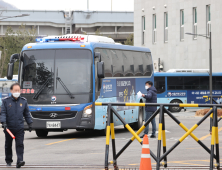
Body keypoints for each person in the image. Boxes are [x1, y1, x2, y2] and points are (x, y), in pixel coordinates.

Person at [1, 83, 33, 168]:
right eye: (15, 90)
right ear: (11, 91)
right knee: (8, 145)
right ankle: (8, 160)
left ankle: (19, 161)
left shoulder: (23, 101)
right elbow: (3, 113)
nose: (17, 92)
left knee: (20, 144)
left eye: (18, 90)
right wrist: (3, 122)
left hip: (19, 127)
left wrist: (30, 123)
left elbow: (27, 114)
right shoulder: (5, 101)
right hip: (9, 128)